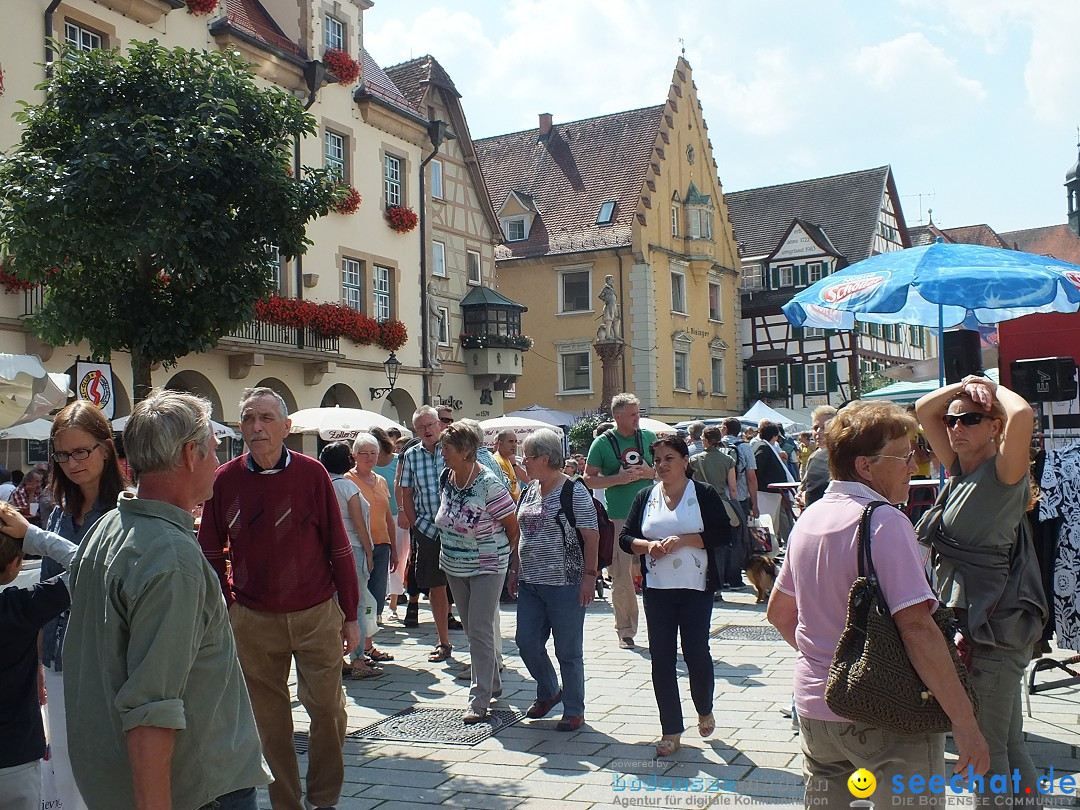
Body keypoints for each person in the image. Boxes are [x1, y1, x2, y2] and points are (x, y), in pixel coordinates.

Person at [766, 400, 989, 807]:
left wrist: (837, 662)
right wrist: (966, 723)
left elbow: (780, 613)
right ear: (866, 466)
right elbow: (918, 630)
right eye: (904, 456)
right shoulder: (884, 522)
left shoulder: (810, 518)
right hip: (887, 712)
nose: (913, 465)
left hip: (817, 709)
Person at [64, 389, 269, 810]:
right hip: (193, 791)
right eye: (214, 449)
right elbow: (152, 711)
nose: (218, 461)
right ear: (191, 453)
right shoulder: (171, 558)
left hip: (120, 783)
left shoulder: (109, 527)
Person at [198, 387, 359, 810]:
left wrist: (352, 614)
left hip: (316, 611)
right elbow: (209, 550)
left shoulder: (312, 474)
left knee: (328, 710)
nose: (257, 427)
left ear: (286, 428)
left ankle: (324, 799)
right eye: (249, 418)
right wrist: (229, 604)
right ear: (239, 428)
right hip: (252, 617)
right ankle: (286, 803)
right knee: (269, 725)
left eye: (267, 419)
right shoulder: (224, 480)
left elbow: (339, 547)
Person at [915, 374, 1045, 796]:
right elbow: (922, 409)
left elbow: (1022, 413)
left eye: (970, 419)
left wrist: (990, 387)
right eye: (952, 421)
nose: (956, 428)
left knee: (985, 753)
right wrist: (964, 386)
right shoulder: (956, 471)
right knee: (1006, 742)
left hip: (996, 630)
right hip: (983, 627)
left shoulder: (1004, 474)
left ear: (994, 427)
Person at [31, 400, 131, 809]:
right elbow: (44, 592)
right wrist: (36, 658)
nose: (73, 463)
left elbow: (108, 579)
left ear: (105, 448)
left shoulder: (127, 508)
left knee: (105, 769)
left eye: (82, 451)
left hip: (105, 660)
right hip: (58, 658)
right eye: (64, 454)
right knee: (66, 770)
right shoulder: (58, 513)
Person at [619, 436, 730, 757]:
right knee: (662, 659)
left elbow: (723, 533)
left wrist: (684, 540)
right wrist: (647, 546)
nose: (663, 465)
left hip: (696, 588)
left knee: (696, 652)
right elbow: (626, 537)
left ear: (685, 461)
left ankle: (704, 707)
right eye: (657, 461)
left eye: (669, 458)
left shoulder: (703, 494)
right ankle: (671, 730)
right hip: (658, 590)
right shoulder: (645, 496)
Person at [511, 428, 599, 732]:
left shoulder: (573, 491)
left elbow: (591, 536)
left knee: (568, 650)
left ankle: (574, 709)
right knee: (526, 643)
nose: (523, 461)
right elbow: (521, 533)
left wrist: (590, 577)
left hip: (566, 582)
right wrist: (514, 569)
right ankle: (550, 690)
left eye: (528, 457)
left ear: (545, 458)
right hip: (530, 581)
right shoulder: (530, 489)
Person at [435, 422, 520, 723]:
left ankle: (479, 697)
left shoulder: (489, 485)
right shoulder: (447, 477)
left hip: (487, 565)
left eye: (446, 447)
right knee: (472, 629)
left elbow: (512, 527)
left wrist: (508, 562)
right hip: (454, 564)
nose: (441, 452)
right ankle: (492, 680)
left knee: (481, 628)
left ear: (466, 450)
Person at [0, 503, 77, 810]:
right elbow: (90, 566)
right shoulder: (21, 608)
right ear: (16, 563)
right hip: (15, 759)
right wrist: (33, 535)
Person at [584, 393, 655, 649]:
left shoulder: (648, 438)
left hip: (653, 512)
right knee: (621, 576)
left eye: (638, 413)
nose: (638, 418)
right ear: (617, 417)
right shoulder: (602, 444)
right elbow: (588, 479)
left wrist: (651, 472)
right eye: (633, 414)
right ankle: (625, 630)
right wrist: (618, 478)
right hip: (618, 517)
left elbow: (670, 469)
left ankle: (662, 628)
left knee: (658, 571)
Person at [398, 405, 456, 659]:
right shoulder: (411, 455)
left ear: (439, 425)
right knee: (436, 585)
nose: (426, 430)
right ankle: (443, 642)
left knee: (465, 583)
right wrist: (415, 523)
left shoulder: (454, 449)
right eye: (420, 427)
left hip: (459, 529)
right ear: (415, 430)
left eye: (430, 425)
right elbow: (407, 492)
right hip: (428, 529)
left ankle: (480, 641)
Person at [321, 441, 380, 680]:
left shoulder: (322, 486)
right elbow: (358, 523)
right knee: (356, 605)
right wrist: (369, 550)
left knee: (334, 607)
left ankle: (338, 658)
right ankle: (358, 659)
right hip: (353, 549)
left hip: (328, 552)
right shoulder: (348, 487)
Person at [348, 432, 398, 656]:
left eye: (373, 453)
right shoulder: (348, 480)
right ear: (354, 455)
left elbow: (388, 517)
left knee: (376, 598)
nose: (369, 458)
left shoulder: (380, 480)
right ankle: (356, 648)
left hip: (382, 545)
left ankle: (368, 645)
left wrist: (394, 549)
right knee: (359, 598)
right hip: (358, 547)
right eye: (364, 453)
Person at [373, 427, 409, 621]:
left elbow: (406, 488)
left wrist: (405, 512)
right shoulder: (366, 464)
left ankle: (393, 605)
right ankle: (376, 606)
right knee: (377, 563)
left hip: (397, 517)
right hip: (373, 519)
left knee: (398, 562)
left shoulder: (398, 462)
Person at [754, 422, 796, 544]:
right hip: (766, 492)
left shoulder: (763, 446)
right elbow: (758, 470)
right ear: (774, 436)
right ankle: (765, 549)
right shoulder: (763, 447)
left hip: (770, 492)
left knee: (772, 524)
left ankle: (770, 550)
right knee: (766, 524)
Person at [796, 405, 837, 509]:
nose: (818, 431)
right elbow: (805, 486)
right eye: (815, 428)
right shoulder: (815, 456)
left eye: (824, 427)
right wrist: (801, 495)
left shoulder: (841, 456)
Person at [494, 429, 530, 501]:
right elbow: (505, 492)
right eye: (510, 441)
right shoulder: (499, 461)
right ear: (500, 443)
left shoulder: (507, 459)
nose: (514, 445)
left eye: (516, 441)